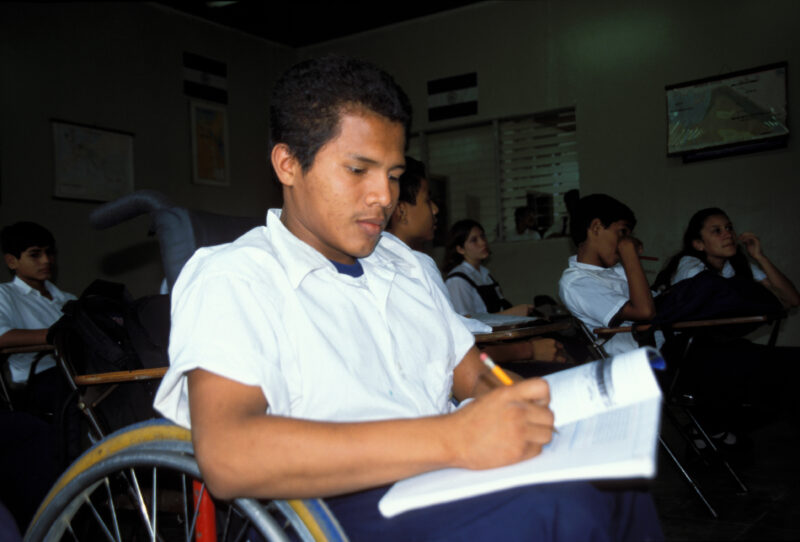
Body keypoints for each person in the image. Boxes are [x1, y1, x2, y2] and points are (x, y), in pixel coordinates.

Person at [153, 55, 661, 541]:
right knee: (561, 510)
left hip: (440, 476)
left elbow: (473, 373)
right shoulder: (235, 276)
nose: (384, 197)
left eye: (394, 177)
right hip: (323, 510)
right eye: (358, 171)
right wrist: (453, 438)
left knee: (614, 481)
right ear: (288, 164)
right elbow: (229, 455)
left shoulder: (405, 265)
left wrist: (528, 407)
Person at [385, 157, 566, 365]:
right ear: (401, 211)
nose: (435, 209)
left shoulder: (481, 274)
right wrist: (527, 350)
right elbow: (451, 351)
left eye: (482, 237)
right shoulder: (418, 267)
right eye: (427, 200)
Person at [558, 194, 656, 356]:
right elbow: (644, 311)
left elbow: (656, 305)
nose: (625, 241)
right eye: (622, 232)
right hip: (637, 361)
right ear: (596, 227)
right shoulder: (575, 282)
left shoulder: (616, 270)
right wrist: (630, 255)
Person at [653, 207, 800, 307]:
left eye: (729, 228)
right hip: (677, 341)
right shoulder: (690, 266)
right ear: (699, 244)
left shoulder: (734, 264)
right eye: (717, 231)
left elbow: (792, 300)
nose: (728, 234)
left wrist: (760, 257)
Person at [0, 222, 76, 389]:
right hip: (36, 379)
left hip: (77, 371)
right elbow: (2, 336)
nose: (46, 260)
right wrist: (61, 334)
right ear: (12, 261)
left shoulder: (68, 299)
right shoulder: (4, 294)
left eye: (49, 253)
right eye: (35, 254)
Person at [443, 220, 534, 317]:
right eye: (474, 240)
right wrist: (510, 313)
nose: (483, 243)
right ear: (460, 249)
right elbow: (464, 320)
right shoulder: (457, 280)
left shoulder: (485, 274)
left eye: (483, 236)